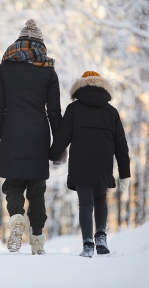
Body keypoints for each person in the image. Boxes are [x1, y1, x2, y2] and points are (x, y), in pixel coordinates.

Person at [0, 19, 65, 255]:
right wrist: (60, 144)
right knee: (36, 189)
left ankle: (16, 220)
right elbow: (54, 112)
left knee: (13, 184)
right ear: (41, 45)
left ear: (18, 43)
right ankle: (37, 240)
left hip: (11, 132)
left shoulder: (4, 68)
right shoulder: (48, 71)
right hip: (38, 134)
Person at [49, 71, 131, 257]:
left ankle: (87, 244)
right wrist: (125, 173)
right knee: (100, 198)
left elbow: (62, 138)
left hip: (81, 162)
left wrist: (52, 155)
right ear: (103, 87)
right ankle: (101, 236)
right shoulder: (112, 112)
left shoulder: (74, 109)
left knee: (85, 203)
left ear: (81, 86)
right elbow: (121, 146)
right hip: (103, 162)